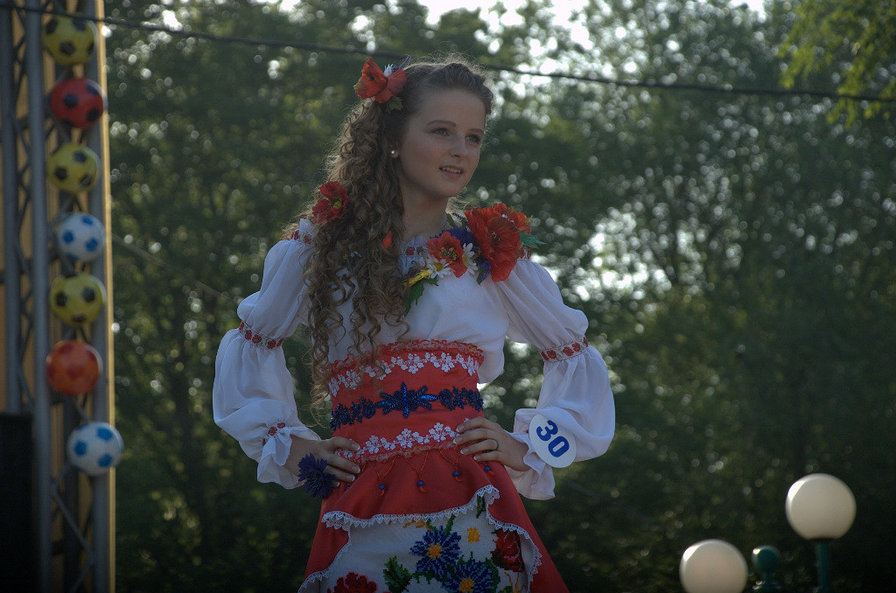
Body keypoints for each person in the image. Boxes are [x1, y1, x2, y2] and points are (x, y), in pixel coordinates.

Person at [213, 55, 615, 593]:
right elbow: (253, 346)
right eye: (442, 131)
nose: (460, 150)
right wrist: (291, 445)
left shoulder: (489, 257)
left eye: (474, 137)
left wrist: (528, 446)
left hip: (471, 496)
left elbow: (573, 354)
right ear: (393, 138)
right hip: (362, 497)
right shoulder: (319, 251)